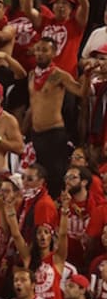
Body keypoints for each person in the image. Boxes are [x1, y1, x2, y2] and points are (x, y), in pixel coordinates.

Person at [29, 36, 88, 197]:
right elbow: (32, 106)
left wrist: (87, 76)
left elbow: (81, 92)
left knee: (56, 176)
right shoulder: (32, 75)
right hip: (36, 134)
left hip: (54, 134)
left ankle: (60, 208)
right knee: (39, 175)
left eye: (45, 50)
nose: (40, 53)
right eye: (38, 50)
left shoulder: (60, 75)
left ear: (54, 53)